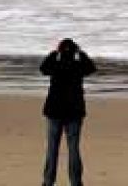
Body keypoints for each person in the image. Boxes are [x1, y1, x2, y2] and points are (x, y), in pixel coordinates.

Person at [40, 38, 97, 186]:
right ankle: (76, 182)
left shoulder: (56, 64)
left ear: (60, 50)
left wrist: (54, 53)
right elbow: (91, 68)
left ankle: (48, 181)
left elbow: (43, 68)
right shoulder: (78, 65)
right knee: (73, 148)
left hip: (54, 110)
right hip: (74, 111)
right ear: (74, 51)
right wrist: (81, 53)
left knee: (52, 148)